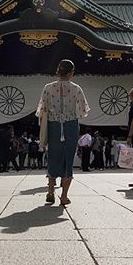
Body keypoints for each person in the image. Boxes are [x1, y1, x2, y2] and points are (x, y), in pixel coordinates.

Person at [37, 59, 90, 206]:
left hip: (53, 126)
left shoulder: (48, 88)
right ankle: (64, 196)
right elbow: (83, 111)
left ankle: (50, 192)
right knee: (68, 159)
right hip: (70, 125)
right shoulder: (76, 88)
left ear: (58, 72)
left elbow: (42, 111)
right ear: (71, 73)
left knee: (53, 156)